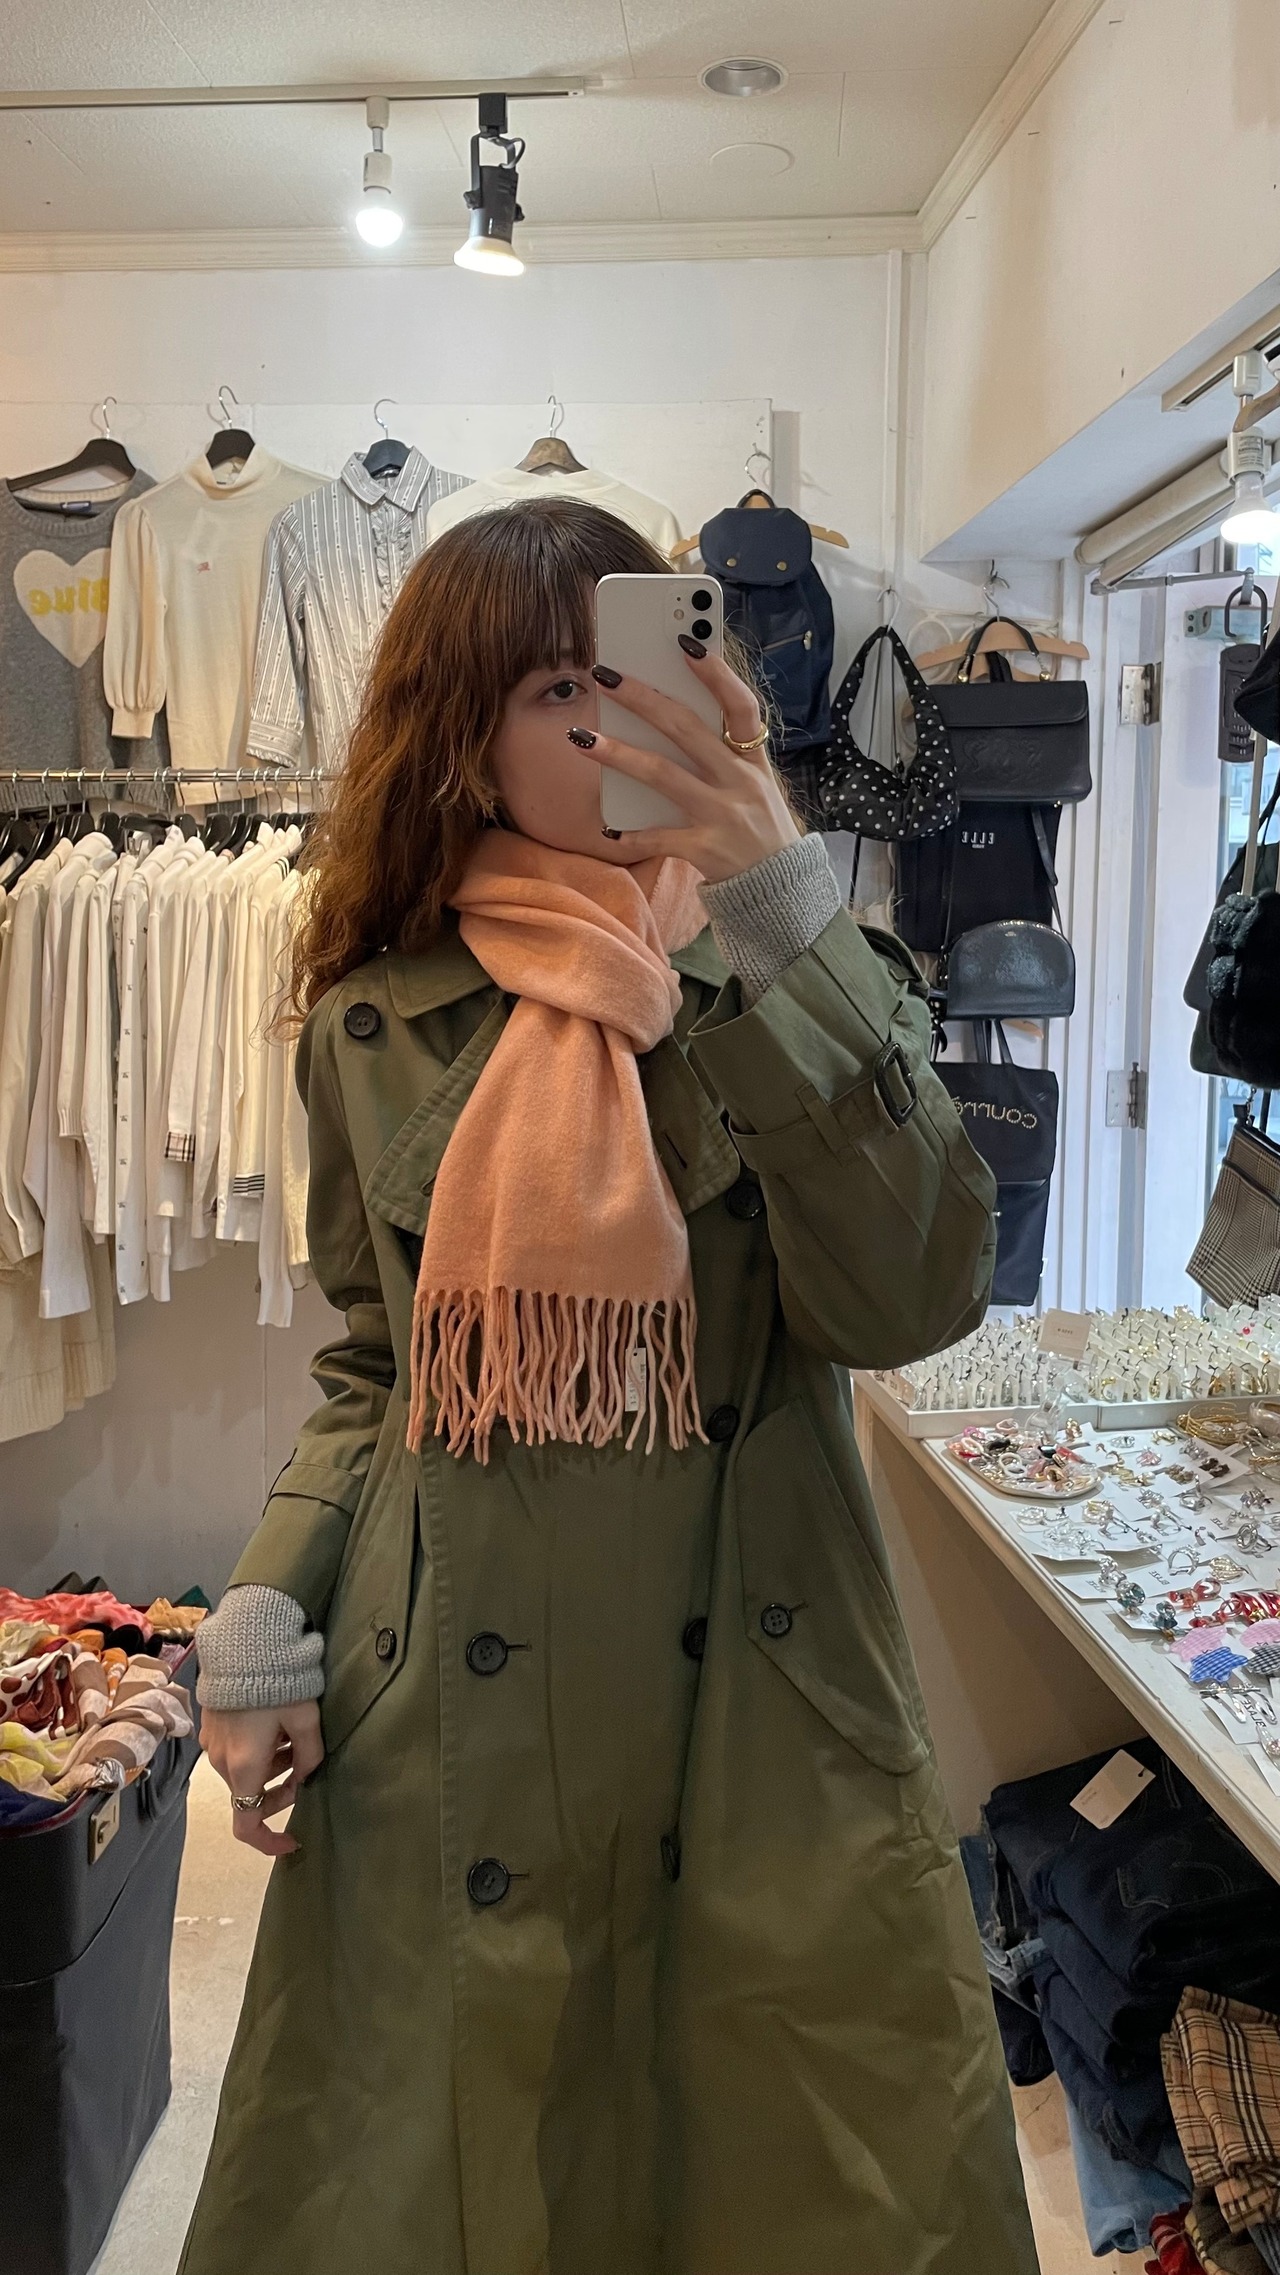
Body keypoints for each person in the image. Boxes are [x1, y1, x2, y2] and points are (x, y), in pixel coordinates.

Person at [182, 496, 1039, 2275]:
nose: (607, 725)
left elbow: (917, 1295)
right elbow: (376, 1366)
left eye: (633, 673)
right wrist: (265, 1606)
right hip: (453, 1710)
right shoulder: (376, 1017)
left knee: (778, 2184)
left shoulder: (799, 976)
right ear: (462, 732)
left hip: (761, 1706)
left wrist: (783, 905)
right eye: (553, 689)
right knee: (470, 2182)